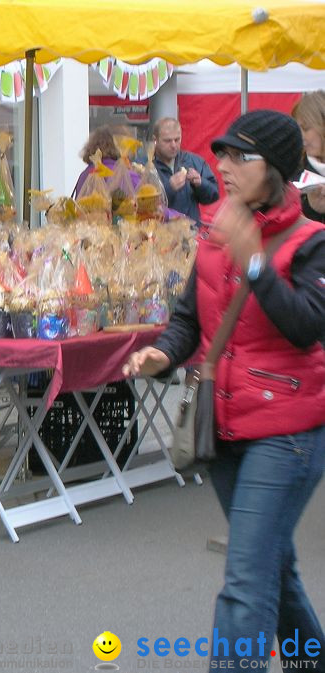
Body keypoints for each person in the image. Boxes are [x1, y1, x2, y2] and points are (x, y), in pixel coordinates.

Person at [123, 110, 325, 670]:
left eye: (241, 156)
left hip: (288, 434)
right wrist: (161, 353)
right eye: (223, 154)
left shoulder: (311, 241)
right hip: (225, 430)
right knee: (272, 573)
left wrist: (254, 262)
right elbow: (191, 319)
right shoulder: (216, 233)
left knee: (244, 583)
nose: (224, 166)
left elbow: (308, 324)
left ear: (278, 171)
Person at [152, 117, 220, 225]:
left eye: (177, 139)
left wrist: (200, 183)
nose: (173, 145)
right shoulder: (144, 165)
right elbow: (137, 205)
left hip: (190, 235)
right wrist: (168, 189)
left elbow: (214, 195)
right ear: (155, 140)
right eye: (167, 141)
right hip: (158, 237)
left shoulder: (193, 161)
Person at [292, 90, 325, 223]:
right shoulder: (294, 172)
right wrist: (313, 209)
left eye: (305, 128)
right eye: (297, 129)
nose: (300, 136)